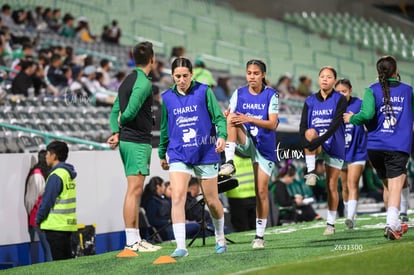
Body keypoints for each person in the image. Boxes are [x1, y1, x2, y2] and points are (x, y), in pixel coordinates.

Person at [158, 57, 227, 258]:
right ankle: (181, 246)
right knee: (177, 197)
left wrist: (222, 136)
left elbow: (218, 118)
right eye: (177, 76)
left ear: (191, 75)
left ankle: (220, 237)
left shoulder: (204, 91)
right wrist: (162, 152)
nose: (181, 80)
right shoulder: (167, 98)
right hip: (179, 153)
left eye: (185, 76)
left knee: (212, 200)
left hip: (206, 152)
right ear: (172, 76)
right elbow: (165, 127)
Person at [343, 55, 413, 240]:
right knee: (396, 186)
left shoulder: (371, 90)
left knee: (388, 187)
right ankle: (391, 224)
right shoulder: (408, 90)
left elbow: (366, 114)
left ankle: (395, 223)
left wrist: (352, 118)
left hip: (374, 147)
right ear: (396, 71)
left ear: (378, 72)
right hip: (397, 145)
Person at [107, 41, 161, 253]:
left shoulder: (127, 80)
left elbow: (114, 111)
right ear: (152, 59)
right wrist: (121, 125)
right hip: (137, 141)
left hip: (130, 140)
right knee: (134, 190)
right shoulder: (143, 83)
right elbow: (127, 112)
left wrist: (116, 131)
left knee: (135, 191)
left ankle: (136, 238)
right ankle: (131, 241)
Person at [219, 59, 278, 249]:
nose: (252, 76)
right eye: (249, 73)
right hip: (247, 142)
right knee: (231, 120)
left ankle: (259, 236)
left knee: (261, 191)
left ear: (262, 75)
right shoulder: (239, 93)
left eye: (256, 73)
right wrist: (229, 114)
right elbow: (232, 114)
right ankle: (229, 162)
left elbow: (273, 124)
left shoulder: (271, 95)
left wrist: (249, 118)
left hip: (265, 149)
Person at [299, 66, 347, 235]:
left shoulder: (340, 99)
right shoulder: (310, 100)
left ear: (334, 81)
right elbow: (303, 125)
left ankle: (331, 224)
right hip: (316, 141)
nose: (325, 79)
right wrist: (306, 141)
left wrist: (317, 141)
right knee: (309, 132)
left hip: (334, 143)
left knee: (331, 186)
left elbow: (335, 125)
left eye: (329, 77)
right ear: (318, 79)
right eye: (322, 76)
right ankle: (311, 172)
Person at [35, 141, 77, 261]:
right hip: (67, 226)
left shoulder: (55, 175)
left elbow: (47, 201)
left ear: (54, 155)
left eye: (48, 153)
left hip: (55, 226)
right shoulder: (68, 174)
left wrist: (38, 218)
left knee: (59, 265)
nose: (46, 156)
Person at [335, 78, 368, 229]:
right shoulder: (332, 106)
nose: (341, 94)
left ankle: (350, 217)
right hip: (341, 152)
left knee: (352, 183)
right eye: (338, 92)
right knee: (344, 187)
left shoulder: (359, 103)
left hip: (358, 150)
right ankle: (350, 216)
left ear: (350, 90)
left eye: (344, 91)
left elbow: (369, 117)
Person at [24, 150, 52, 263]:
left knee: (46, 247)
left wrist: (29, 212)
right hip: (42, 215)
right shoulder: (42, 174)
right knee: (47, 247)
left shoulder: (37, 174)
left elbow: (30, 199)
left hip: (35, 215)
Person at [224, 152, 256, 232]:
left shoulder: (229, 157)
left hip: (236, 197)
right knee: (256, 227)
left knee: (241, 228)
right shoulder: (252, 153)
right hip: (254, 194)